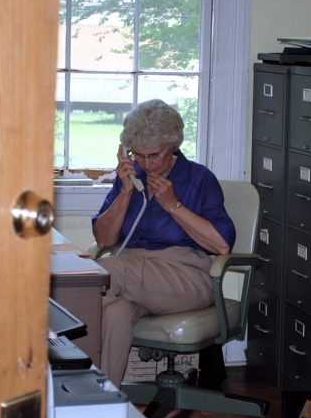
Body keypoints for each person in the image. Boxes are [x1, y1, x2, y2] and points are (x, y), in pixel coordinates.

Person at [91, 99, 236, 387]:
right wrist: (125, 193)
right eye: (138, 155)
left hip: (185, 278)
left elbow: (221, 246)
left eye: (154, 155)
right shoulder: (131, 177)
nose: (147, 164)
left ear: (173, 147)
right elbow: (105, 240)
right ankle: (100, 405)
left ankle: (52, 379)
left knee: (97, 277)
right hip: (133, 276)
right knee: (114, 314)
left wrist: (174, 206)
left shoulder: (199, 178)